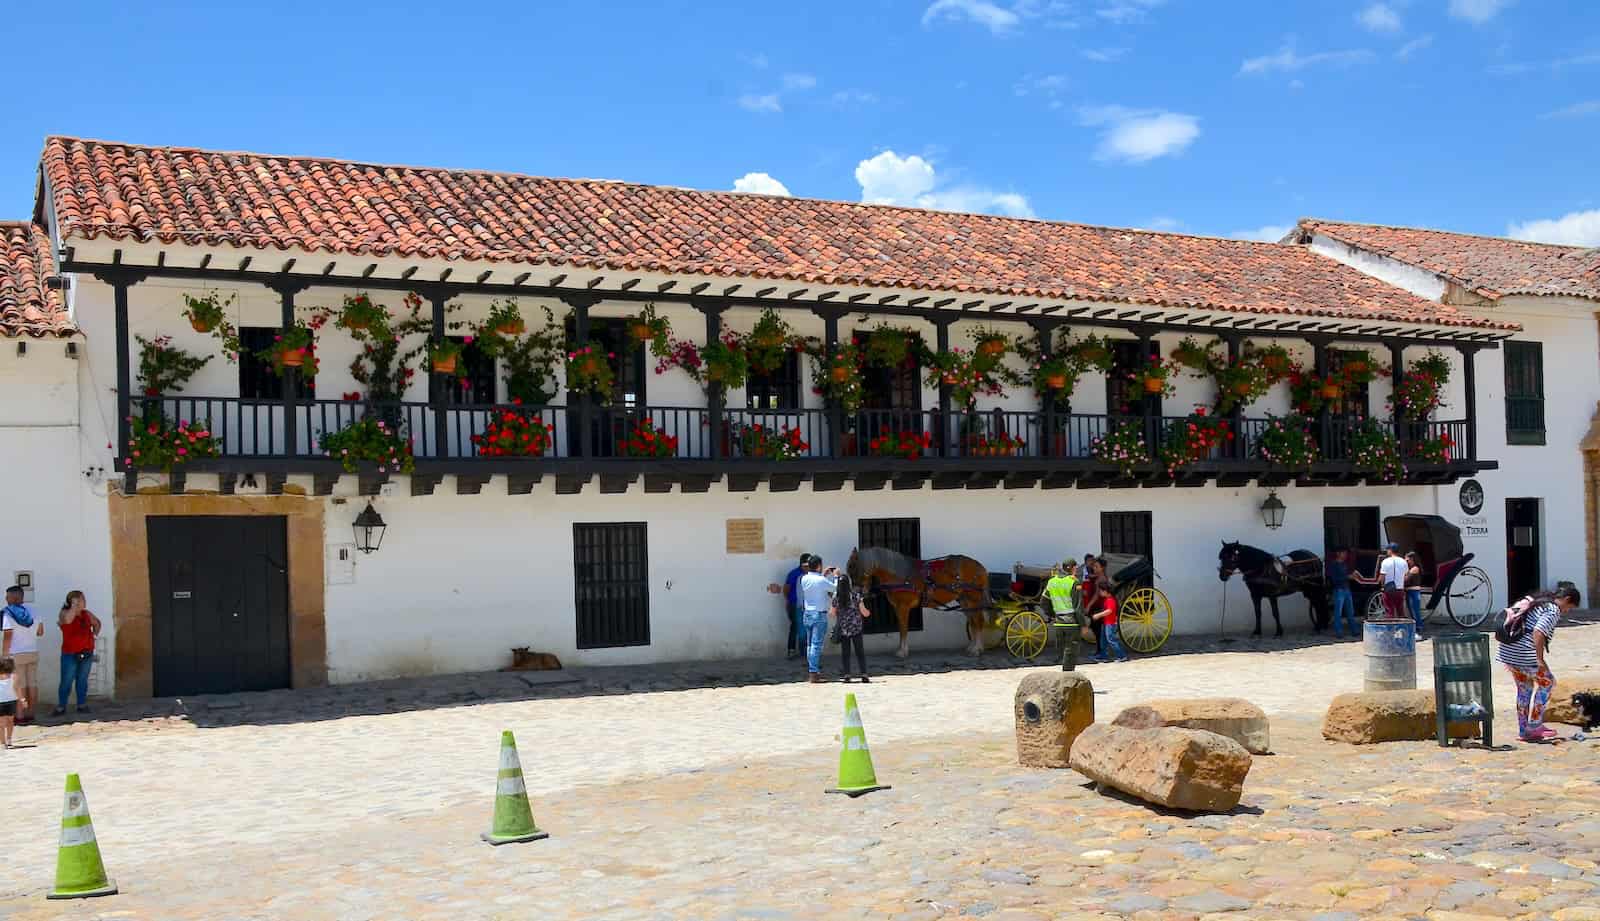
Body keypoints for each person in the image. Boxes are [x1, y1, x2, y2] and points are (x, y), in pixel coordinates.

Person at [1496, 585, 1581, 742]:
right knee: (1547, 683)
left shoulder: (1539, 602)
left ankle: (1523, 730)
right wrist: (1540, 660)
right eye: (1569, 608)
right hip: (1524, 653)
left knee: (1524, 689)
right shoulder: (1552, 609)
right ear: (1567, 600)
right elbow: (1538, 632)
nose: (1566, 612)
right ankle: (1535, 725)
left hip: (1509, 652)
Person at [56, 590, 101, 717]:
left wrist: (94, 635)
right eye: (82, 599)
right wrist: (74, 606)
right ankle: (61, 706)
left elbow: (97, 623)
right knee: (66, 680)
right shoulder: (64, 613)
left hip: (86, 652)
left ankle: (81, 704)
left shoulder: (86, 614)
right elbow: (68, 620)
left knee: (82, 680)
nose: (85, 601)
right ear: (74, 600)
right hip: (70, 653)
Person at [1, 585, 42, 724]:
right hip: (32, 651)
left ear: (14, 597)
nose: (6, 599)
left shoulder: (8, 613)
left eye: (8, 596)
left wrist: (4, 655)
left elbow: (8, 635)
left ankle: (20, 716)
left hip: (16, 654)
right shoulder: (34, 611)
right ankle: (31, 713)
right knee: (32, 684)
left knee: (19, 685)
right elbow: (40, 632)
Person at [797, 558, 839, 683]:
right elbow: (835, 588)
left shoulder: (804, 578)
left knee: (810, 644)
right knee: (816, 645)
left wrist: (823, 574)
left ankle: (812, 670)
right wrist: (836, 576)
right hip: (819, 615)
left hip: (808, 613)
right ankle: (813, 672)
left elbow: (818, 583)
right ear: (819, 566)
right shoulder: (821, 580)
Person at [832, 568, 870, 683]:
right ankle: (864, 674)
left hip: (844, 628)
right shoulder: (856, 596)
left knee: (845, 653)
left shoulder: (836, 598)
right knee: (860, 652)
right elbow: (864, 612)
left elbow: (832, 613)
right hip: (856, 627)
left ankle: (847, 675)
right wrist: (868, 612)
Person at [1046, 559, 1081, 670]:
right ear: (1072, 568)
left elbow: (1043, 602)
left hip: (1058, 622)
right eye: (1076, 567)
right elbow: (1078, 607)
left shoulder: (1052, 581)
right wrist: (1083, 624)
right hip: (1071, 622)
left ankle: (1064, 677)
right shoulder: (1074, 582)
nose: (1077, 569)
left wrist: (1052, 614)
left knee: (1063, 651)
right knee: (1070, 651)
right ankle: (1068, 680)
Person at [1090, 575, 1129, 663]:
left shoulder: (1110, 600)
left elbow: (1109, 611)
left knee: (1111, 640)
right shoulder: (1107, 599)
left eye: (1100, 590)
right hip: (1106, 623)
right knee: (1103, 640)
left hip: (1110, 624)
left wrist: (1098, 615)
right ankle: (1103, 656)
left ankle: (1122, 656)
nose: (1099, 592)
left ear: (1106, 591)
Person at [782, 554, 810, 660]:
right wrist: (789, 601)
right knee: (795, 626)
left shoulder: (811, 574)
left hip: (807, 605)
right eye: (806, 565)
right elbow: (786, 588)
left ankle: (804, 652)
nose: (808, 567)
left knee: (806, 628)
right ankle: (791, 650)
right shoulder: (793, 574)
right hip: (794, 605)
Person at [1326, 549, 1357, 639]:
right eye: (1344, 553)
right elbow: (1334, 579)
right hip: (1339, 590)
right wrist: (1347, 577)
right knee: (1338, 613)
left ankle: (1354, 630)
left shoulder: (1344, 564)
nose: (1345, 555)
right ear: (1338, 553)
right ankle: (1339, 632)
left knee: (1350, 612)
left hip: (1346, 589)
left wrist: (1351, 576)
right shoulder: (1334, 565)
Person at [0, 656, 21, 748]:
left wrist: (22, 699)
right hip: (11, 701)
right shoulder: (14, 676)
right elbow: (17, 689)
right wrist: (22, 699)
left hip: (5, 702)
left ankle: (4, 742)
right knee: (9, 722)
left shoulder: (14, 676)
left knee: (2, 723)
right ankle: (7, 740)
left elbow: (16, 688)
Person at [1404, 552, 1425, 632]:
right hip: (1411, 592)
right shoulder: (1412, 568)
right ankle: (1417, 626)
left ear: (1412, 559)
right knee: (1412, 610)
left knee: (1415, 611)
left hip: (1413, 591)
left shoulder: (1415, 569)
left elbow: (1406, 579)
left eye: (1407, 560)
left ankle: (1419, 626)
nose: (1406, 562)